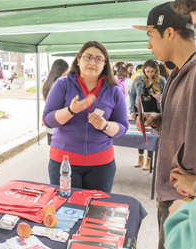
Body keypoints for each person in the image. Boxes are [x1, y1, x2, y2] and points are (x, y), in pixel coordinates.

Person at [133, 2, 196, 249]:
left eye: (150, 35)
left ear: (169, 33)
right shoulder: (175, 74)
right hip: (172, 194)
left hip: (186, 201)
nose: (148, 44)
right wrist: (158, 120)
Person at [43, 41, 128, 193]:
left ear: (105, 64)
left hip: (101, 164)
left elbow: (122, 127)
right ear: (78, 59)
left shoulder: (114, 90)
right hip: (64, 162)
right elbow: (48, 120)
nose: (92, 62)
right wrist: (71, 110)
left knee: (96, 210)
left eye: (98, 59)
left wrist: (105, 125)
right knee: (65, 208)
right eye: (88, 57)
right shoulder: (62, 84)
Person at [129, 59, 166, 170]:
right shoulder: (138, 79)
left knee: (151, 136)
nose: (150, 73)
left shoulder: (161, 80)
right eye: (147, 71)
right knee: (141, 132)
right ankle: (140, 157)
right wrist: (132, 111)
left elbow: (167, 97)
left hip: (155, 111)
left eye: (152, 71)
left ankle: (149, 160)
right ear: (143, 70)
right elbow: (132, 95)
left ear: (156, 70)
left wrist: (159, 97)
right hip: (141, 110)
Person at [42, 59, 69, 145]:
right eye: (67, 71)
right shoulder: (58, 85)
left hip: (50, 125)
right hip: (58, 124)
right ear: (62, 70)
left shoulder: (48, 83)